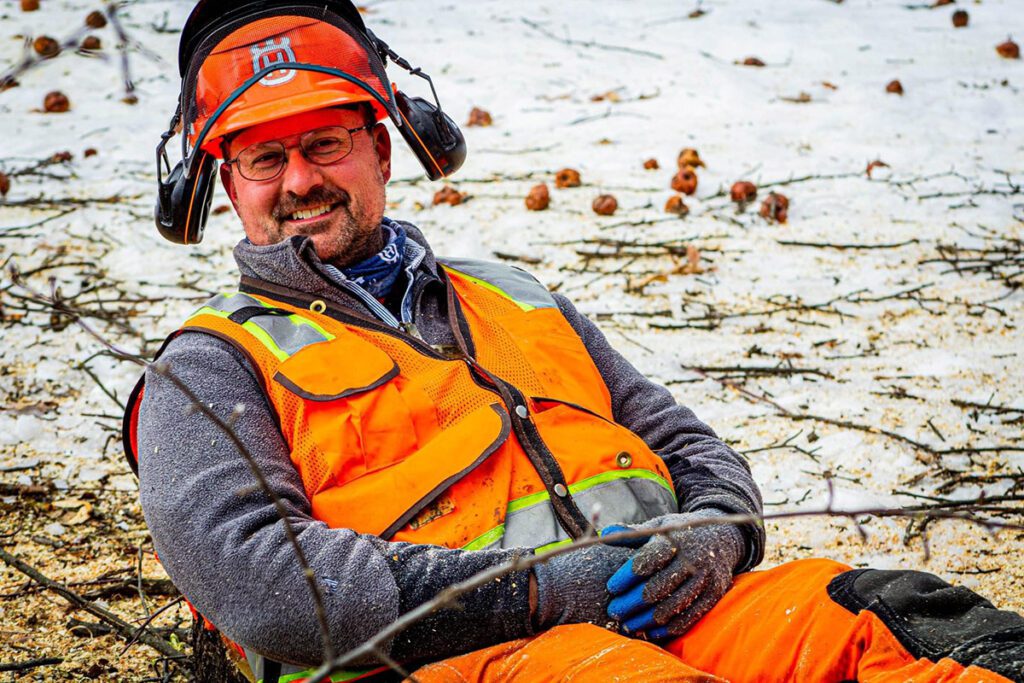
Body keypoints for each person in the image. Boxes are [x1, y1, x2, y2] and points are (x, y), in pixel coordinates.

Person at [123, 1, 1024, 681]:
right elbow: (273, 587)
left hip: (664, 616)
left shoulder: (510, 295)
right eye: (264, 158)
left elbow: (688, 445)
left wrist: (714, 534)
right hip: (453, 662)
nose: (301, 180)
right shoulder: (207, 368)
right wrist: (541, 592)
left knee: (892, 623)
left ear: (384, 152)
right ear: (223, 183)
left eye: (325, 143)